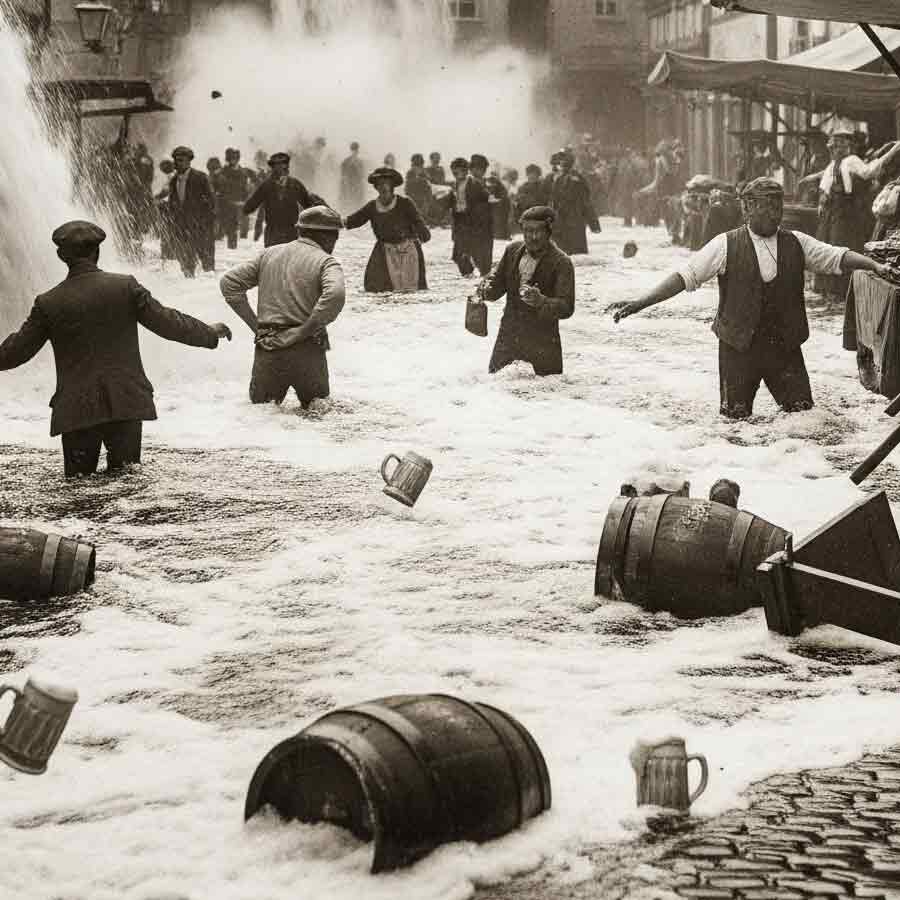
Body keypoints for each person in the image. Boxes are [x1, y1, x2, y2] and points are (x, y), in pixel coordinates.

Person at [611, 177, 892, 419]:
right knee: (735, 423)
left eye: (778, 205)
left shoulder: (797, 242)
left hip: (784, 347)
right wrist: (639, 303)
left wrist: (875, 266)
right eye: (767, 205)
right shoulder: (724, 245)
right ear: (747, 208)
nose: (775, 212)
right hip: (738, 348)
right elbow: (684, 277)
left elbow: (837, 256)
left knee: (806, 420)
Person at [0, 221, 231, 476]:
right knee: (127, 487)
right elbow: (167, 323)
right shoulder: (125, 287)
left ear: (61, 256)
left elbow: (16, 352)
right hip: (126, 401)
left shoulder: (48, 303)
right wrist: (208, 332)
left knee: (79, 494)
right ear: (97, 252)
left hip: (78, 410)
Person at [219, 206, 346, 409]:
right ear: (329, 237)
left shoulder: (269, 254)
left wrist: (257, 327)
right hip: (307, 348)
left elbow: (229, 283)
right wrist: (304, 331)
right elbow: (335, 295)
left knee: (261, 416)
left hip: (268, 346)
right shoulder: (326, 262)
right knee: (316, 416)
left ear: (300, 230)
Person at [471, 205, 575, 376]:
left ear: (549, 232)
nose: (531, 237)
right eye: (527, 230)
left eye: (537, 231)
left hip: (543, 341)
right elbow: (497, 288)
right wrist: (484, 290)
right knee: (496, 386)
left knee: (545, 395)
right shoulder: (512, 251)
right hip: (509, 335)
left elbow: (567, 307)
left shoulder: (562, 262)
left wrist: (541, 301)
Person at [816, 128, 900, 301]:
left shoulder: (852, 160)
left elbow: (868, 172)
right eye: (834, 146)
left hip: (848, 211)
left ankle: (842, 290)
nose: (836, 149)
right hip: (834, 211)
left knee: (843, 244)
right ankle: (829, 289)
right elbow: (825, 186)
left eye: (840, 145)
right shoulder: (833, 164)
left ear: (848, 146)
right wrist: (822, 200)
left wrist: (892, 152)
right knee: (829, 243)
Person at [344, 166, 430, 292]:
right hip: (384, 250)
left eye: (386, 183)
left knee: (411, 289)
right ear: (376, 187)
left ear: (392, 186)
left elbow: (418, 222)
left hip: (408, 250)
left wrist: (423, 235)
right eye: (379, 184)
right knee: (376, 287)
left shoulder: (405, 203)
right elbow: (354, 220)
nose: (383, 187)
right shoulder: (372, 206)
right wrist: (332, 220)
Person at [243, 152, 322, 248]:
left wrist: (318, 214)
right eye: (278, 166)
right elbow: (250, 206)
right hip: (273, 232)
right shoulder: (266, 185)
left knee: (290, 260)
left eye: (284, 165)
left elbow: (308, 205)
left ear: (287, 167)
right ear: (273, 169)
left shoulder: (295, 184)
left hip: (291, 232)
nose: (282, 169)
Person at [168, 146, 216, 277]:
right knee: (186, 264)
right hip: (183, 227)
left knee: (207, 264)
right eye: (176, 160)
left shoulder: (200, 177)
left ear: (189, 161)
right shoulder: (173, 181)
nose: (177, 163)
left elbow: (212, 202)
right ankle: (190, 288)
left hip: (201, 227)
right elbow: (172, 204)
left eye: (181, 160)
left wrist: (208, 223)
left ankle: (209, 290)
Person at [445, 156, 493, 277]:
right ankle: (467, 273)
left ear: (465, 171)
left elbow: (485, 198)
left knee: (476, 250)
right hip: (460, 220)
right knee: (458, 252)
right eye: (454, 172)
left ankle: (478, 273)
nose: (456, 174)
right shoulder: (455, 185)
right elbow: (451, 201)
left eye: (458, 171)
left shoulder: (474, 183)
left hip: (473, 221)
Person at [551, 149, 601, 255]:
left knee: (574, 251)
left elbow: (585, 200)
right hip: (566, 218)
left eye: (563, 163)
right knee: (566, 250)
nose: (561, 165)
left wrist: (592, 221)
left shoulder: (575, 179)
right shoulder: (561, 179)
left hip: (573, 217)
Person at [339, 141, 367, 213]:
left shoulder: (359, 162)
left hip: (355, 187)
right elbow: (343, 176)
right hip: (350, 186)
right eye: (354, 149)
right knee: (349, 205)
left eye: (356, 149)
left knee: (355, 204)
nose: (355, 151)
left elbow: (362, 176)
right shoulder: (347, 162)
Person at [486, 165, 511, 240]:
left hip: (500, 208)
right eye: (492, 174)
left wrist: (498, 200)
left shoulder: (501, 185)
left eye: (495, 175)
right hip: (491, 208)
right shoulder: (487, 184)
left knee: (499, 221)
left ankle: (501, 235)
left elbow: (504, 197)